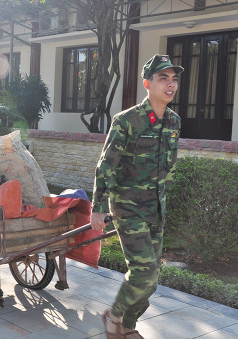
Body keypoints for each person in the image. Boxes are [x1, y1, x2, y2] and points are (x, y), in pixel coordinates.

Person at [90, 54, 184, 339]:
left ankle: (128, 326)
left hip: (156, 208)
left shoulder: (174, 121)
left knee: (152, 280)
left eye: (174, 79)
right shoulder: (127, 121)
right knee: (142, 272)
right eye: (163, 78)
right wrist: (96, 208)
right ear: (147, 83)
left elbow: (167, 166)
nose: (170, 85)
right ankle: (113, 316)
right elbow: (106, 166)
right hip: (127, 206)